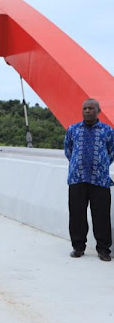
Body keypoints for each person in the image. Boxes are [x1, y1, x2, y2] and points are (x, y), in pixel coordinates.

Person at [64, 98, 114, 262]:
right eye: (84, 108)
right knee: (77, 214)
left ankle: (104, 250)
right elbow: (68, 150)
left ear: (98, 111)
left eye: (91, 108)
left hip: (100, 180)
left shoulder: (108, 131)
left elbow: (111, 152)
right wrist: (78, 165)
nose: (87, 111)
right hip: (77, 178)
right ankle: (78, 247)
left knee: (101, 215)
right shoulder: (73, 129)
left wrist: (100, 164)